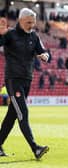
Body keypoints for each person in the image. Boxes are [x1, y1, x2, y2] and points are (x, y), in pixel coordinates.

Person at [0, 8, 50, 159]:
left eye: (33, 22)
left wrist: (45, 55)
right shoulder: (10, 34)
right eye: (29, 22)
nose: (31, 25)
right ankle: (35, 148)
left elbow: (44, 51)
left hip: (27, 80)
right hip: (13, 80)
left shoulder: (34, 36)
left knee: (12, 116)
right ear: (20, 20)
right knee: (23, 113)